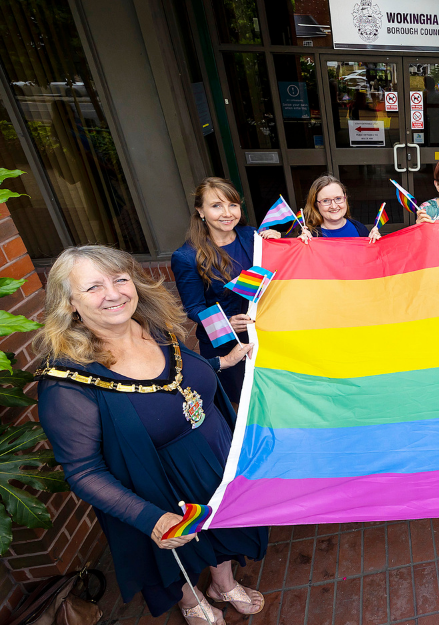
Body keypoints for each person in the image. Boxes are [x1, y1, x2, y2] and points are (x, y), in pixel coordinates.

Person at [34, 246, 267, 624]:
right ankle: (191, 599)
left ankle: (221, 584)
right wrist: (150, 519)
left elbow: (174, 382)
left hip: (216, 461)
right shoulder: (67, 384)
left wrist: (220, 363)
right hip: (158, 488)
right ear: (70, 303)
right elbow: (83, 471)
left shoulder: (154, 328)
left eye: (120, 279)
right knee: (178, 553)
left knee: (223, 532)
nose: (113, 293)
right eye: (93, 287)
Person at [172, 177, 266, 405]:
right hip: (225, 339)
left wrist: (277, 241)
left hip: (261, 329)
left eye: (232, 205)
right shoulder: (186, 256)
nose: (227, 213)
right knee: (240, 401)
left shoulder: (251, 235)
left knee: (265, 394)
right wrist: (227, 323)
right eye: (216, 206)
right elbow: (193, 308)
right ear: (200, 211)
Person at [275, 174, 380, 244]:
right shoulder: (308, 235)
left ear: (345, 199)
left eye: (338, 198)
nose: (334, 206)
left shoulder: (360, 229)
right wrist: (300, 246)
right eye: (326, 201)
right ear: (316, 204)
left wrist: (377, 244)